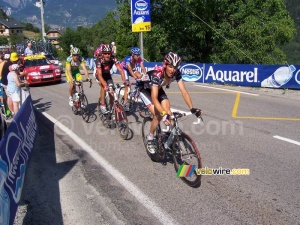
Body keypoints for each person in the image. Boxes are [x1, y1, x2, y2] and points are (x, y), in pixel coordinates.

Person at [139, 52, 202, 154]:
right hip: (145, 90)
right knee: (158, 115)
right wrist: (163, 115)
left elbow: (184, 91)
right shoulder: (157, 74)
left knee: (170, 113)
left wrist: (192, 108)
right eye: (170, 67)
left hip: (157, 88)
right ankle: (150, 138)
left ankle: (169, 137)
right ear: (165, 65)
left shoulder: (177, 73)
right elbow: (154, 98)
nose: (173, 70)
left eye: (175, 67)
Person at [95, 44, 126, 114]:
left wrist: (124, 81)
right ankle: (102, 105)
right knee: (103, 87)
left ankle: (111, 108)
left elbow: (120, 70)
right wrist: (105, 85)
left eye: (109, 53)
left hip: (107, 74)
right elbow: (99, 75)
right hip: (99, 75)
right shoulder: (99, 60)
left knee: (111, 91)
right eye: (105, 53)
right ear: (102, 54)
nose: (107, 55)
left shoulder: (113, 58)